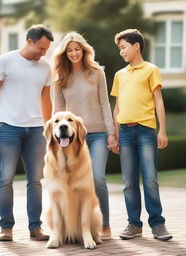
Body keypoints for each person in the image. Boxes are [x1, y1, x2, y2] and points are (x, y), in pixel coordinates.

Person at [0, 24, 54, 242]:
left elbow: (46, 100)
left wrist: (49, 128)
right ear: (29, 41)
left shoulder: (45, 67)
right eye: (40, 48)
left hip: (36, 130)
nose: (42, 53)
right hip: (9, 127)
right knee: (5, 179)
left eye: (46, 50)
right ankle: (6, 228)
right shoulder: (6, 60)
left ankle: (35, 227)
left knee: (36, 180)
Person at [52, 32, 116, 240]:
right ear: (64, 53)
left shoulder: (96, 73)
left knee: (97, 177)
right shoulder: (60, 78)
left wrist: (111, 132)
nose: (73, 53)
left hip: (97, 133)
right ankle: (75, 227)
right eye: (69, 50)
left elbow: (105, 104)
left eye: (77, 49)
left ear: (84, 50)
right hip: (72, 138)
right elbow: (58, 112)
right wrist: (56, 139)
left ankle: (105, 225)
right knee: (70, 182)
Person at [110, 29, 173, 241]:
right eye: (119, 49)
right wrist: (115, 135)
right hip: (125, 132)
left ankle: (158, 224)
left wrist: (162, 130)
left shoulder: (151, 70)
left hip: (146, 130)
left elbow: (158, 101)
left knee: (150, 179)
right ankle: (134, 224)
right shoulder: (120, 75)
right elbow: (117, 108)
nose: (121, 52)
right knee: (128, 181)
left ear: (137, 45)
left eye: (123, 47)